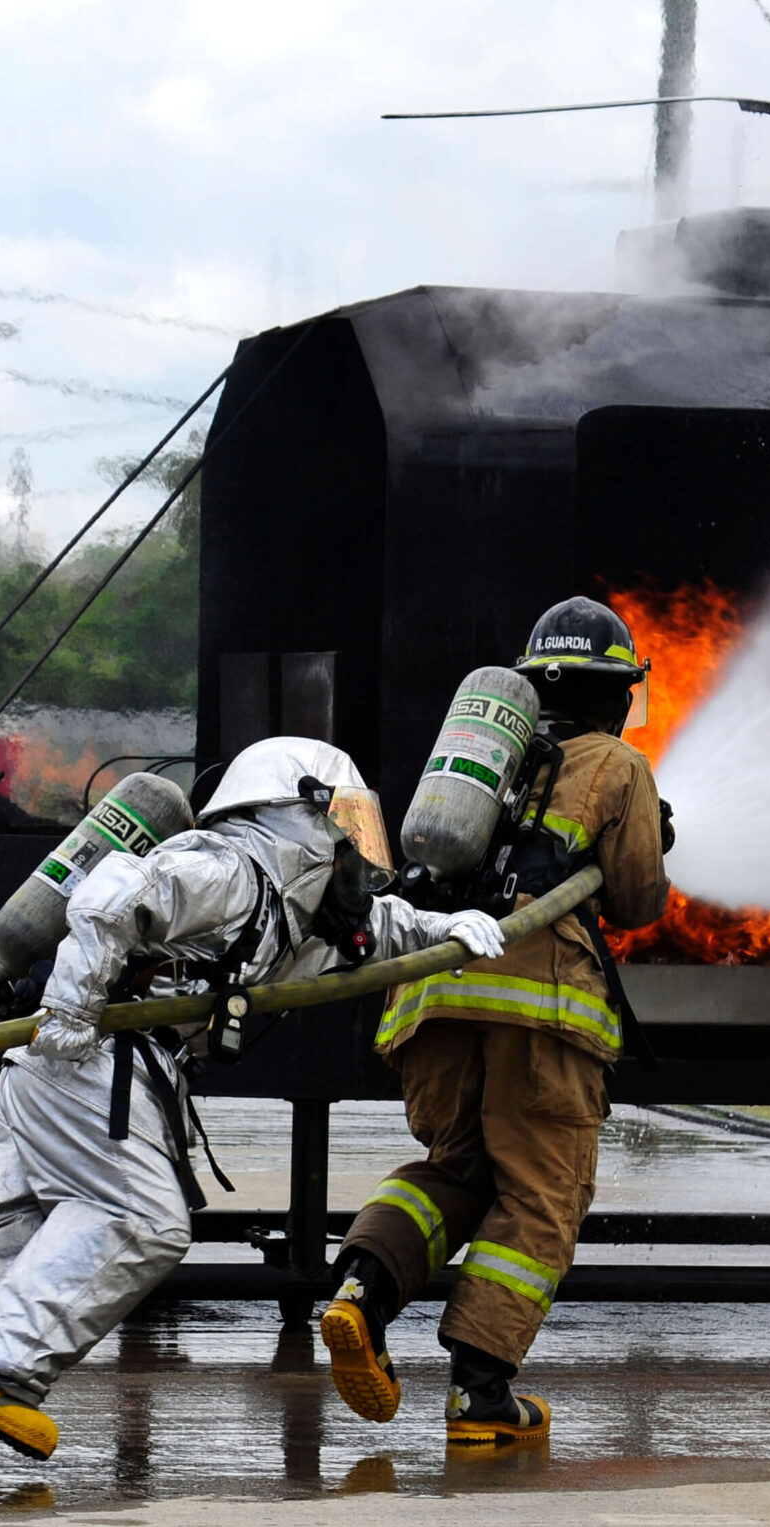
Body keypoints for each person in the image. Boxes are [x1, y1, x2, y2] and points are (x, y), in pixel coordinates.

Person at [0, 736, 506, 1463]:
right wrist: (72, 1010)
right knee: (145, 1218)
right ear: (300, 817)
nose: (357, 850)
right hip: (91, 1063)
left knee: (13, 1235)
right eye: (346, 823)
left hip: (55, 1070)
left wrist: (447, 931)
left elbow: (379, 934)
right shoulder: (232, 870)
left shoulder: (286, 913)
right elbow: (110, 893)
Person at [319, 596, 673, 1444]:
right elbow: (635, 900)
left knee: (456, 1167)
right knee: (543, 1196)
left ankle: (362, 1294)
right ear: (616, 693)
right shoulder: (616, 766)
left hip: (434, 991)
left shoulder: (480, 764)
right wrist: (652, 834)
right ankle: (481, 1394)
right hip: (541, 1008)